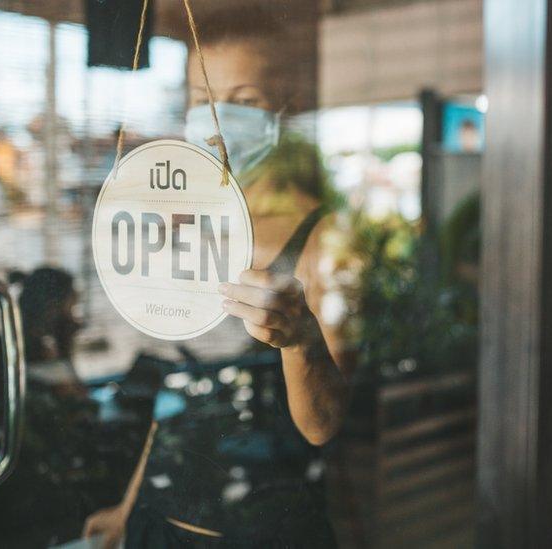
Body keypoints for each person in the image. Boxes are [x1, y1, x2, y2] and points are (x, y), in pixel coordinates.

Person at [83, 8, 352, 547]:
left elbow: (324, 425)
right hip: (160, 522)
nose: (219, 116)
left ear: (285, 106)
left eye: (245, 99)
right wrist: (128, 507)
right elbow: (178, 392)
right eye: (204, 98)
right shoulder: (188, 228)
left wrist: (299, 341)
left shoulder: (321, 238)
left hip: (261, 531)